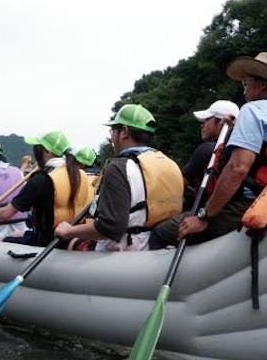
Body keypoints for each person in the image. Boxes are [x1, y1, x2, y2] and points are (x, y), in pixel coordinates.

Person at [178, 51, 267, 241]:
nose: (244, 91)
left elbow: (238, 168)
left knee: (162, 232)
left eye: (246, 83)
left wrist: (204, 216)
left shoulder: (252, 110)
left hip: (245, 205)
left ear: (262, 86)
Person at [54, 104, 184, 251]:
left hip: (129, 248)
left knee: (72, 242)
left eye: (113, 130)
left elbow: (110, 227)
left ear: (124, 132)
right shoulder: (170, 163)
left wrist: (68, 231)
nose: (112, 136)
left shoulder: (119, 167)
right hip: (161, 246)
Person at [0, 131, 95, 247]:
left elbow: (5, 214)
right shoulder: (80, 174)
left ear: (47, 151)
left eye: (36, 148)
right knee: (15, 233)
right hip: (72, 235)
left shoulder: (41, 179)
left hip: (48, 241)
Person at [149, 100, 240, 249]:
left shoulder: (207, 150)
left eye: (206, 120)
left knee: (159, 232)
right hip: (230, 212)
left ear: (221, 123)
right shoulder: (240, 151)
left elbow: (177, 186)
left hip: (210, 215)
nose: (202, 124)